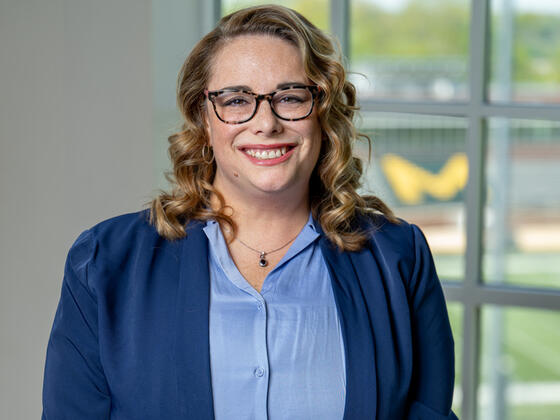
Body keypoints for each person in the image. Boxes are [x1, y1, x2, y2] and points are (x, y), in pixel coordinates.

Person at [42, 5, 458, 420]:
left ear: (323, 112)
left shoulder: (398, 258)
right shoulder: (105, 262)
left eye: (290, 97)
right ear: (203, 117)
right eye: (237, 100)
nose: (266, 123)